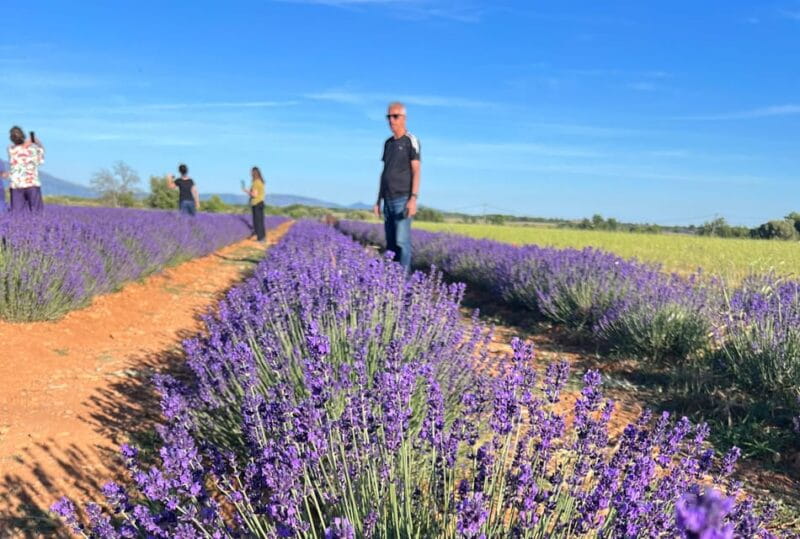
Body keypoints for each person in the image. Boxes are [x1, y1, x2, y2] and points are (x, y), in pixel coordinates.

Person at [372, 102, 421, 273]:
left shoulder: (411, 141)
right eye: (389, 117)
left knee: (402, 242)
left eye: (395, 116)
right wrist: (378, 200)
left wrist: (413, 198)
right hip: (388, 199)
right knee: (391, 245)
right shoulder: (388, 144)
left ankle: (404, 283)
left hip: (403, 198)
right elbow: (384, 172)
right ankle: (392, 280)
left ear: (404, 118)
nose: (391, 120)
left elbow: (416, 170)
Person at [7, 126, 45, 212]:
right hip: (32, 184)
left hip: (16, 185)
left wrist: (25, 144)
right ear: (23, 136)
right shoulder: (33, 150)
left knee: (17, 213)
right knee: (37, 212)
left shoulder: (11, 150)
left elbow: (14, 146)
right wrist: (37, 142)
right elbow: (41, 160)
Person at [242, 166, 266, 241]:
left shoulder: (255, 182)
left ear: (253, 173)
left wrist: (246, 191)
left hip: (256, 203)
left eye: (251, 172)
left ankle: (260, 238)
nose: (250, 173)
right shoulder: (261, 181)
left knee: (257, 221)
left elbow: (254, 195)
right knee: (260, 221)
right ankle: (262, 237)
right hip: (261, 202)